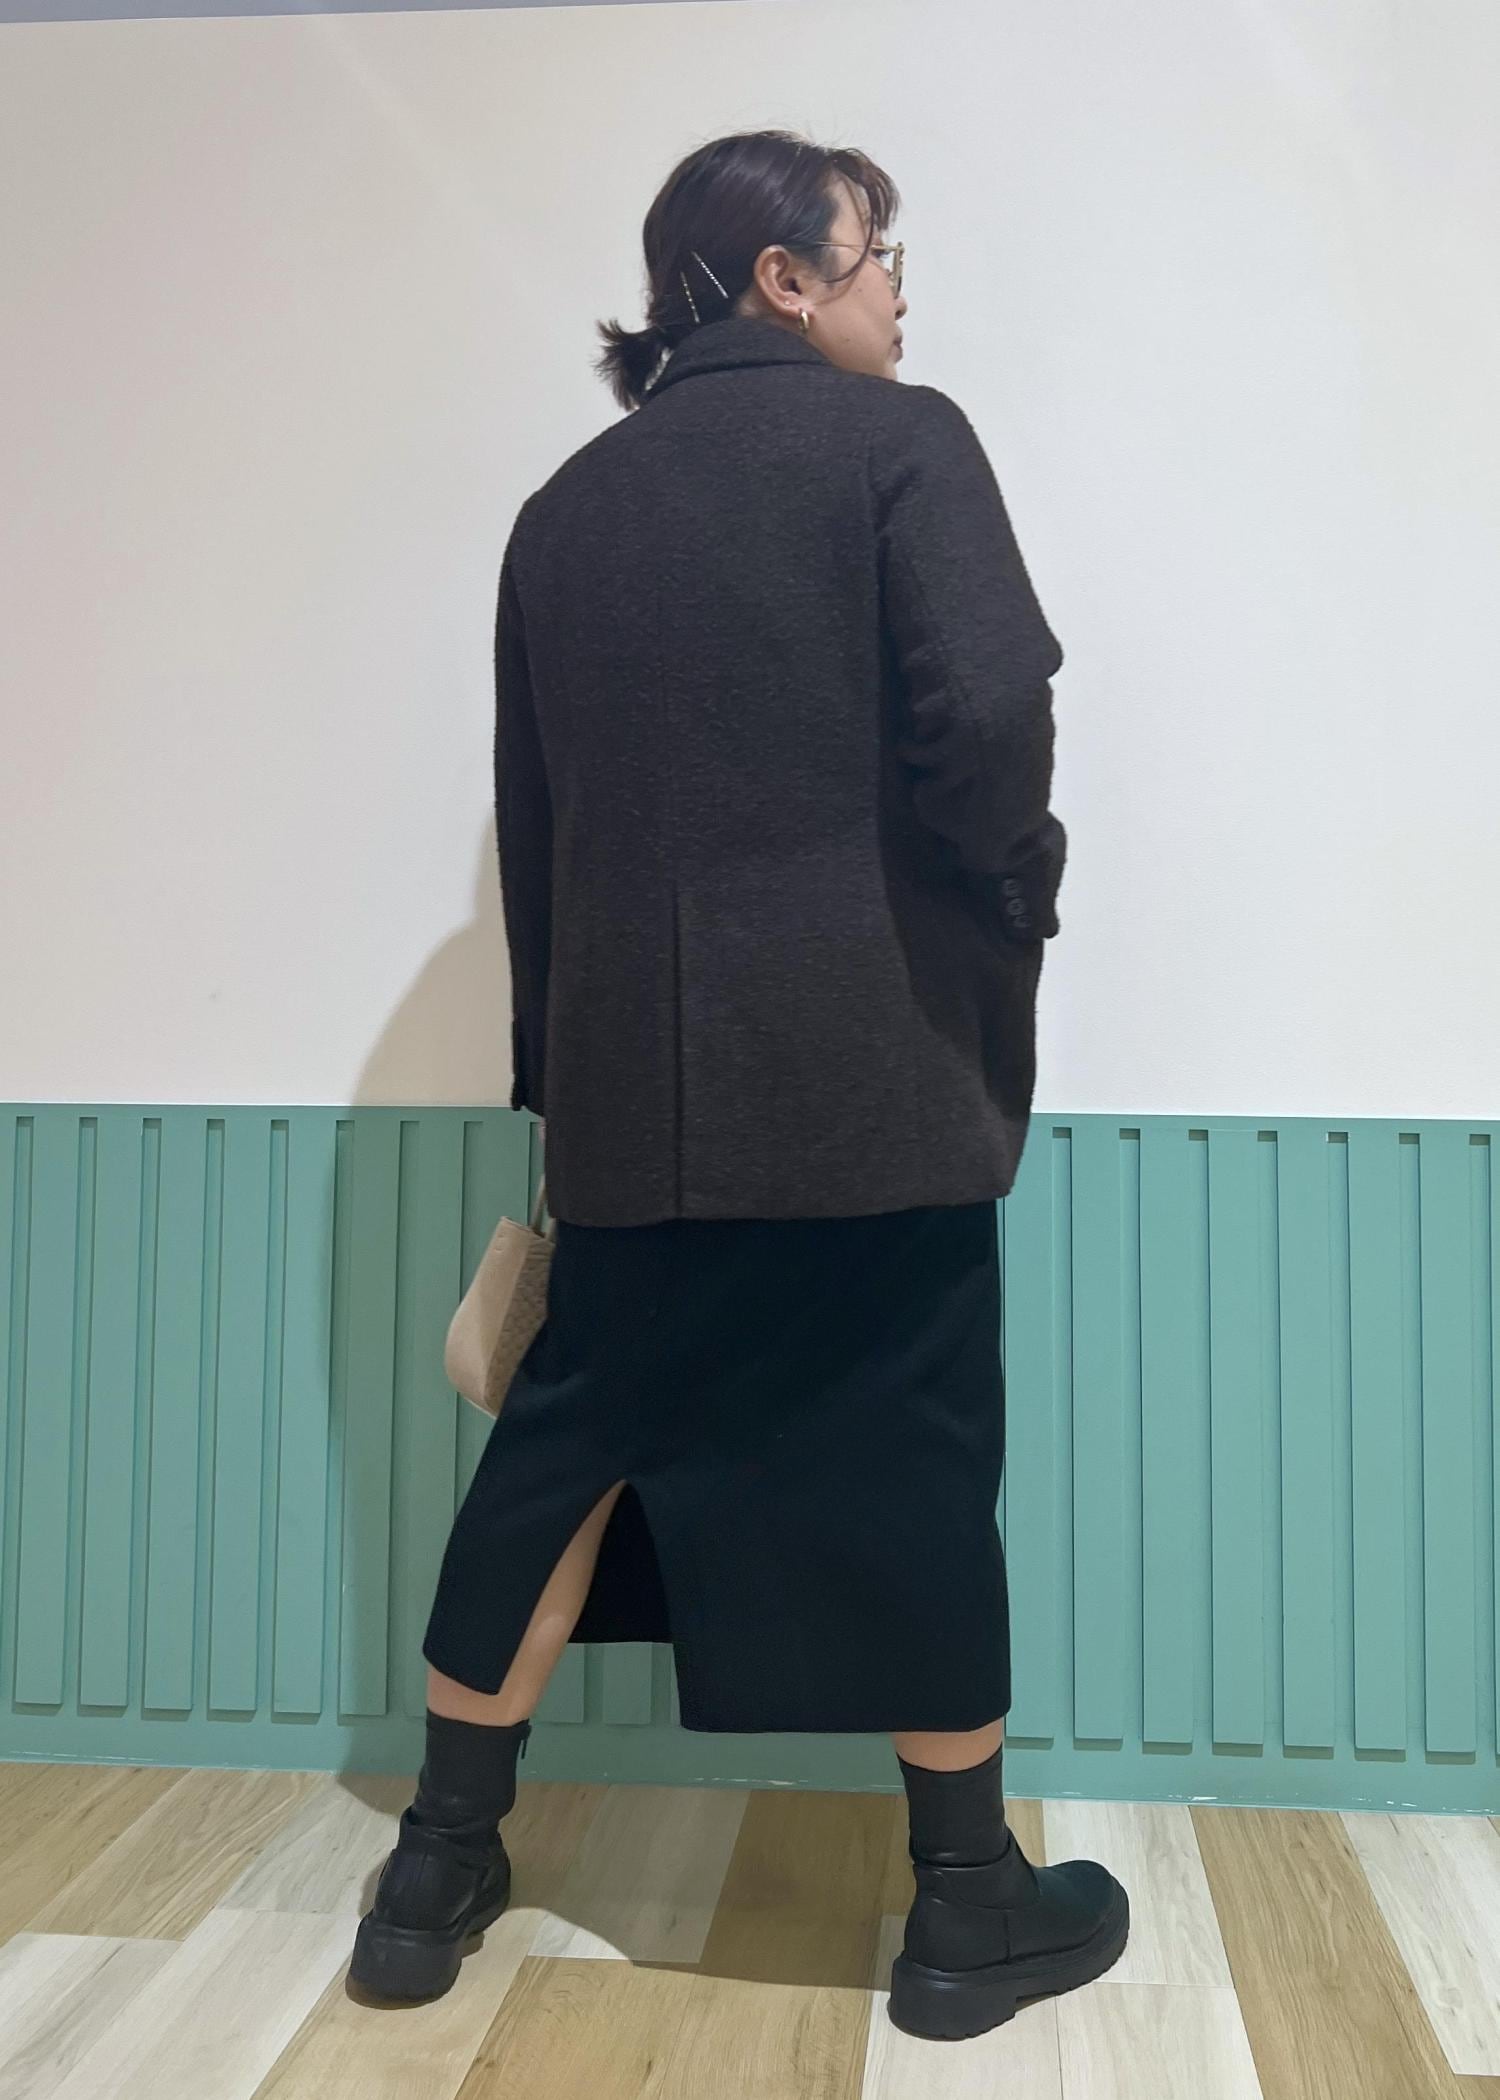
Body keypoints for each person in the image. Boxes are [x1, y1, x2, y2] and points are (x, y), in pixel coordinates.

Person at [351, 128, 1128, 2041]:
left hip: (636, 1101)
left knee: (560, 1464)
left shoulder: (563, 510)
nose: (898, 293)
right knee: (918, 1458)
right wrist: (1013, 898)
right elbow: (989, 714)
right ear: (782, 275)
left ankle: (434, 1870)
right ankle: (968, 1903)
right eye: (876, 256)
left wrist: (568, 1082)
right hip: (876, 1081)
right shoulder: (902, 446)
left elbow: (539, 827)